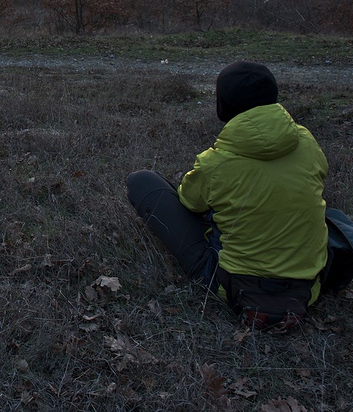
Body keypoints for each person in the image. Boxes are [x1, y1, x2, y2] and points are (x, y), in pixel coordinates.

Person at [127, 61, 328, 330]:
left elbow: (189, 203)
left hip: (234, 288)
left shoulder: (217, 162)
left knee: (143, 182)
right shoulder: (306, 141)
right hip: (308, 287)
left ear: (223, 106)